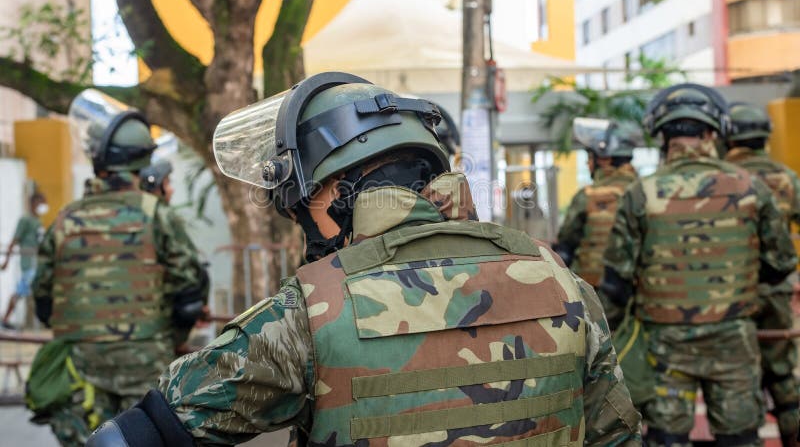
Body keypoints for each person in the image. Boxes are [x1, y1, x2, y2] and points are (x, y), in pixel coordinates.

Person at [87, 72, 641, 446]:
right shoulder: (561, 282)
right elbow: (617, 434)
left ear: (337, 193)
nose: (302, 217)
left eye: (303, 202)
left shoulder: (309, 313)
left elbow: (142, 432)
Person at [598, 83, 797, 447]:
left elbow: (616, 281)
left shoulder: (642, 193)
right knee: (739, 439)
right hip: (734, 343)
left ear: (662, 137)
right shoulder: (751, 187)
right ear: (713, 132)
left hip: (664, 346)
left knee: (666, 438)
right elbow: (782, 263)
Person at [31, 89, 209, 446]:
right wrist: (171, 337)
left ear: (100, 158)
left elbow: (44, 302)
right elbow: (190, 291)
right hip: (146, 372)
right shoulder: (155, 213)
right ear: (141, 160)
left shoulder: (66, 220)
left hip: (82, 372)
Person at [726, 102, 800, 447]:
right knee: (783, 374)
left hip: (728, 295)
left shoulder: (722, 177)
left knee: (738, 377)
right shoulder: (786, 177)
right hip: (777, 292)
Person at [553, 118, 640, 287]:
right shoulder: (644, 191)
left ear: (604, 159)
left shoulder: (587, 195)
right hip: (636, 290)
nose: (587, 163)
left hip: (593, 291)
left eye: (590, 157)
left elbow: (566, 243)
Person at [0, 191, 47, 329]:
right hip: (29, 262)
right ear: (34, 204)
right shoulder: (25, 220)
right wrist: (6, 261)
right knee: (21, 290)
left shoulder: (38, 221)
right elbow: (14, 240)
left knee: (29, 290)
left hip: (37, 262)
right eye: (41, 203)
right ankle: (5, 319)